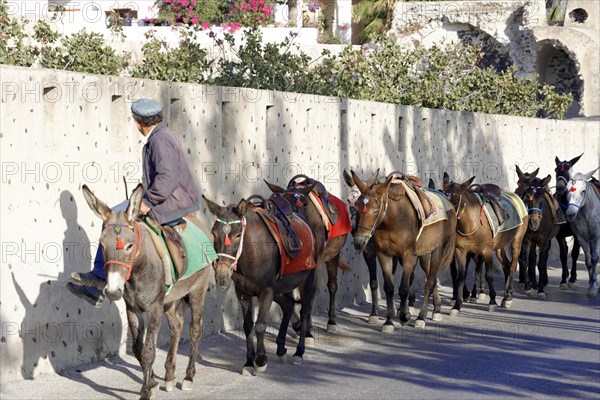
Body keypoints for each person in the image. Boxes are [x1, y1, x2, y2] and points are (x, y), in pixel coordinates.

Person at [67, 98, 201, 307]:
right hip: (169, 197)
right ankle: (101, 281)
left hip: (172, 202)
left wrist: (148, 202)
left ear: (138, 123)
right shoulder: (161, 136)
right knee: (117, 212)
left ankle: (99, 278)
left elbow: (168, 178)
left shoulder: (160, 140)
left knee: (111, 220)